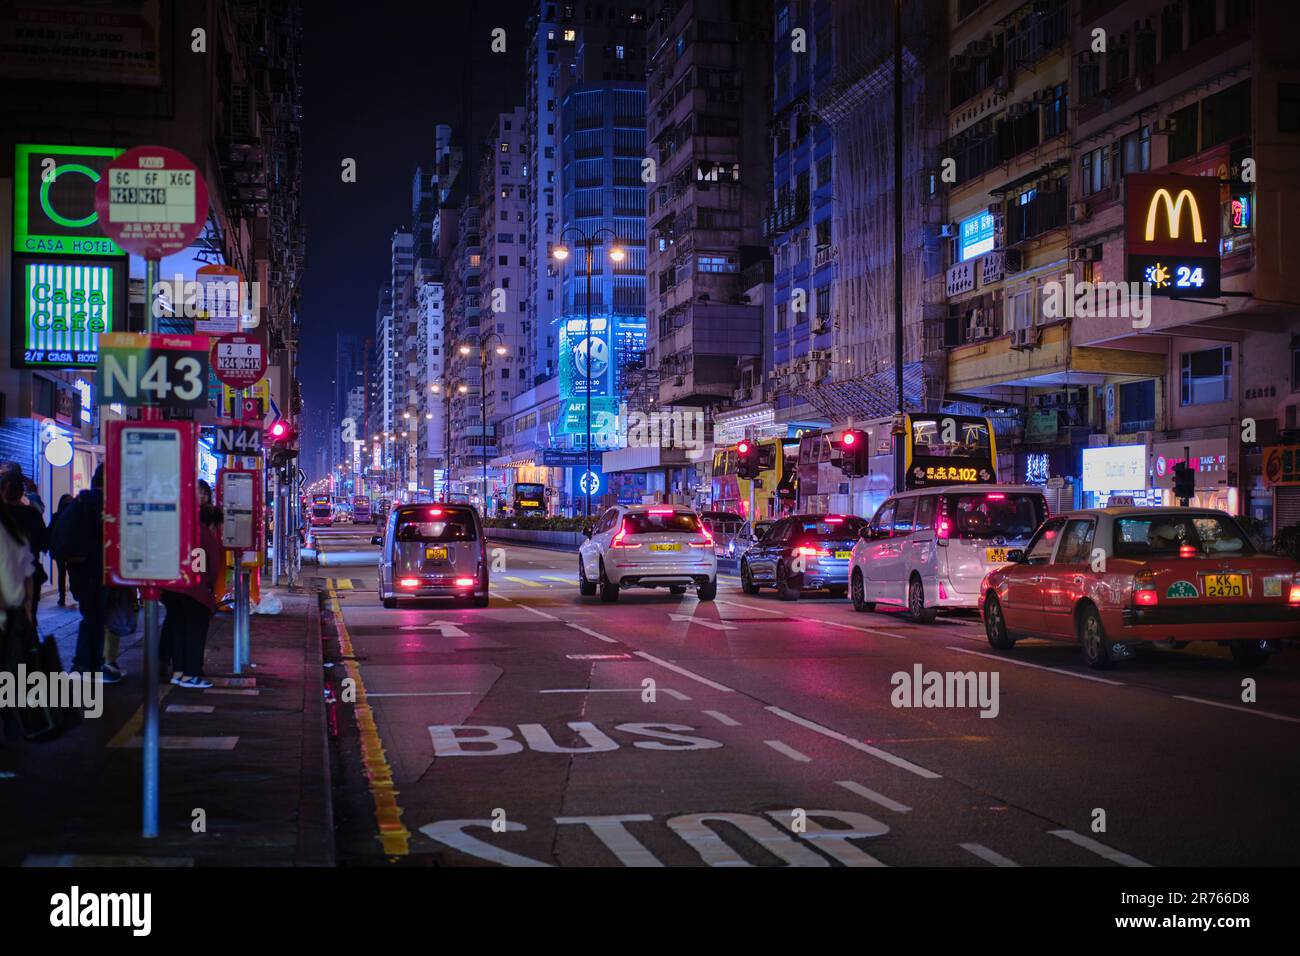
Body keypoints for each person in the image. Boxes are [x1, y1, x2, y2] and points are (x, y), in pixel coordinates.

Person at [50, 465, 117, 683]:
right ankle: (86, 664)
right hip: (95, 569)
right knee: (94, 617)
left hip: (78, 570)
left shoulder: (80, 502)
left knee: (91, 616)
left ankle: (86, 664)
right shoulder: (100, 505)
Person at [161, 481, 222, 689]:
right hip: (195, 590)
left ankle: (178, 672)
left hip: (172, 587)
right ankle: (191, 675)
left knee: (178, 630)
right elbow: (213, 567)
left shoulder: (177, 526)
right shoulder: (204, 533)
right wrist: (210, 585)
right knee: (196, 632)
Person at [1, 471, 48, 632]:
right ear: (22, 492)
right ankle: (26, 652)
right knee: (28, 621)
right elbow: (44, 542)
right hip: (28, 576)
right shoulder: (32, 514)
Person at [52, 494, 75, 607]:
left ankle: (62, 597)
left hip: (59, 551)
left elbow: (51, 533)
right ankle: (75, 593)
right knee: (72, 573)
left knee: (61, 575)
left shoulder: (56, 516)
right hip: (71, 552)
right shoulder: (74, 516)